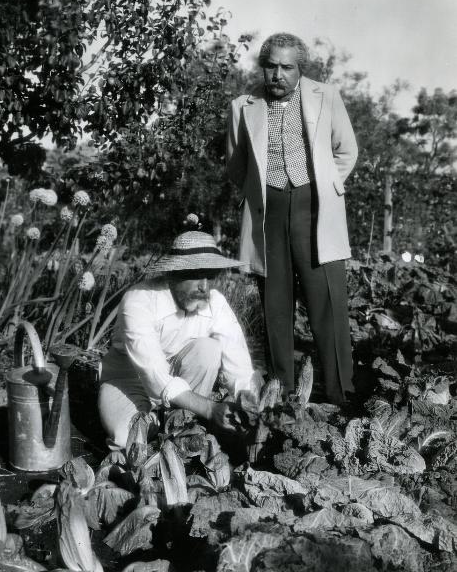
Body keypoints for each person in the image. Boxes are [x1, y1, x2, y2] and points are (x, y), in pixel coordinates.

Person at [226, 32, 358, 404]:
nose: (278, 75)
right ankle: (280, 393)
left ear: (300, 69)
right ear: (262, 68)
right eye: (271, 67)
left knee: (326, 304)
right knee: (275, 304)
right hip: (268, 212)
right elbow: (236, 166)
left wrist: (325, 189)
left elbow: (346, 151)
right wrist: (261, 191)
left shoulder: (325, 96)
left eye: (287, 67)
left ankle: (339, 394)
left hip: (314, 209)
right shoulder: (242, 105)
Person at [98, 230, 262, 449]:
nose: (204, 286)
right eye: (196, 275)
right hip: (128, 381)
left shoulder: (215, 302)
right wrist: (210, 409)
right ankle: (164, 423)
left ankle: (181, 426)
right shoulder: (139, 300)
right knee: (125, 437)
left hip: (180, 383)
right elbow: (153, 371)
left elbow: (238, 359)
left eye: (209, 276)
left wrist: (248, 401)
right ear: (173, 274)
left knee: (209, 349)